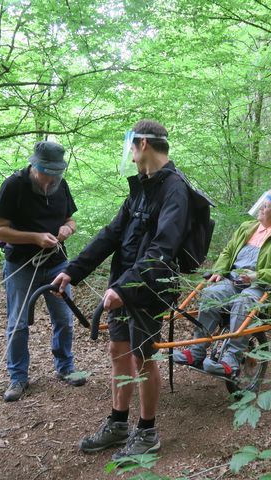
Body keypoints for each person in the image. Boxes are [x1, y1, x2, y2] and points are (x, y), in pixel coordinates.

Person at [52, 120, 190, 460]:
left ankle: (147, 431)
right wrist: (73, 270)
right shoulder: (141, 187)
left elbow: (163, 248)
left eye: (131, 144)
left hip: (149, 289)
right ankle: (118, 424)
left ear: (143, 144)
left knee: (143, 357)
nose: (129, 152)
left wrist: (126, 289)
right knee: (118, 351)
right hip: (123, 285)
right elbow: (112, 234)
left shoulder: (174, 188)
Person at [0, 141, 84, 403]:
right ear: (34, 165)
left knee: (64, 318)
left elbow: (71, 219)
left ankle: (65, 368)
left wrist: (68, 229)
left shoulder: (60, 186)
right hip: (20, 265)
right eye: (47, 172)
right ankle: (18, 377)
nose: (51, 179)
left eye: (56, 173)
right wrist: (34, 238)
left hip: (56, 264)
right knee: (18, 323)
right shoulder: (14, 186)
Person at [173, 189, 271, 375]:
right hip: (234, 280)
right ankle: (196, 351)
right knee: (211, 294)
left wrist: (257, 275)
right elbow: (227, 252)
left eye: (265, 206)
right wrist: (219, 270)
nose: (260, 209)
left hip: (265, 287)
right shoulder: (247, 228)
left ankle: (231, 359)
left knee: (244, 301)